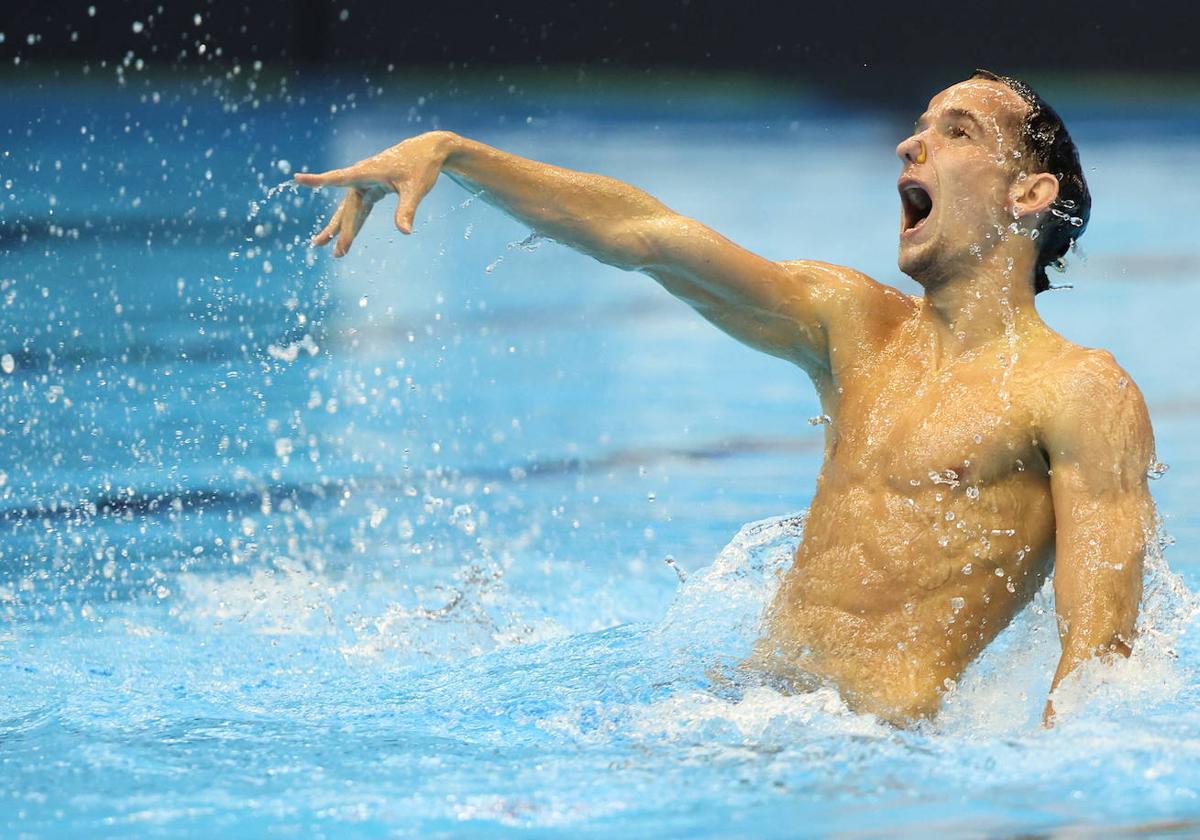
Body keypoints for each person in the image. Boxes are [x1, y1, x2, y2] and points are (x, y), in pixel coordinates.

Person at [296, 70, 1157, 727]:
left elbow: (1100, 664)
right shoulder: (854, 326)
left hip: (881, 760)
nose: (909, 144)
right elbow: (649, 237)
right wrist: (455, 154)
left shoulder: (1079, 391)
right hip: (736, 712)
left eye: (955, 131)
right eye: (919, 126)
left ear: (1029, 195)